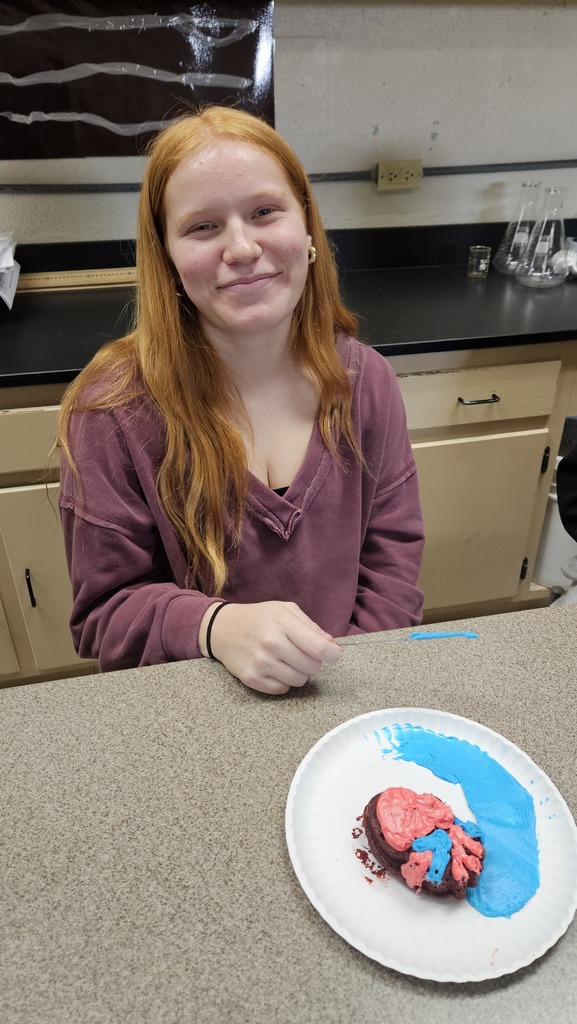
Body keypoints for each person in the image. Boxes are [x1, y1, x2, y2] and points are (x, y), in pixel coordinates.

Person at [58, 105, 424, 695]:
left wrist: (347, 681)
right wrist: (213, 625)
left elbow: (393, 559)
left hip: (342, 691)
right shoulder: (110, 412)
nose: (242, 248)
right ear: (169, 259)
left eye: (264, 212)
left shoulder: (367, 382)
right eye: (202, 226)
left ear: (307, 229)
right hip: (194, 709)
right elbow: (103, 616)